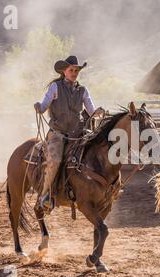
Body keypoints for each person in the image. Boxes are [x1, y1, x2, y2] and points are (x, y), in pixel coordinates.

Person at [34, 55, 104, 209]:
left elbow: (91, 110)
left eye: (76, 70)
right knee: (55, 160)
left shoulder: (83, 90)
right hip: (57, 133)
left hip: (78, 134)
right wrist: (40, 107)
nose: (74, 72)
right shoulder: (55, 87)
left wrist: (98, 112)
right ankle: (45, 195)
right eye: (71, 70)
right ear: (64, 71)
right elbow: (45, 104)